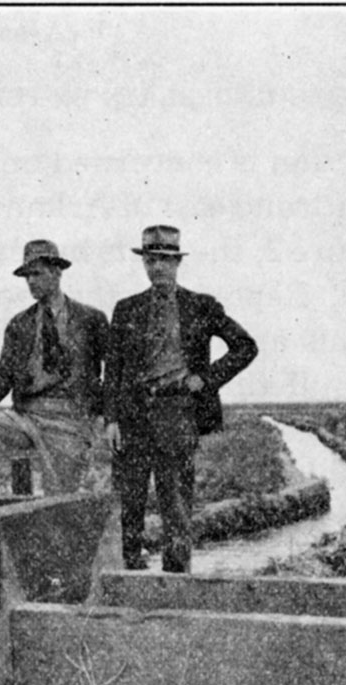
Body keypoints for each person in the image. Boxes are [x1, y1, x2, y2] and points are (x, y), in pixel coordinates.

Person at [104, 225, 257, 572]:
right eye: (151, 260)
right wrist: (111, 419)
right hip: (133, 416)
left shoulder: (200, 306)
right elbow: (112, 368)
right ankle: (130, 577)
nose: (157, 267)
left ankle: (176, 584)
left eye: (165, 260)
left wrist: (206, 379)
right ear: (143, 263)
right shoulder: (126, 309)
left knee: (175, 505)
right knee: (130, 503)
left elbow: (245, 347)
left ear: (177, 263)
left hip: (178, 413)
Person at [0, 239, 109, 496]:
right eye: (27, 276)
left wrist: (106, 416)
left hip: (69, 419)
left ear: (57, 272)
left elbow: (114, 370)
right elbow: (4, 371)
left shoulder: (90, 319)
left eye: (37, 273)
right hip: (26, 416)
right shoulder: (20, 324)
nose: (31, 281)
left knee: (58, 505)